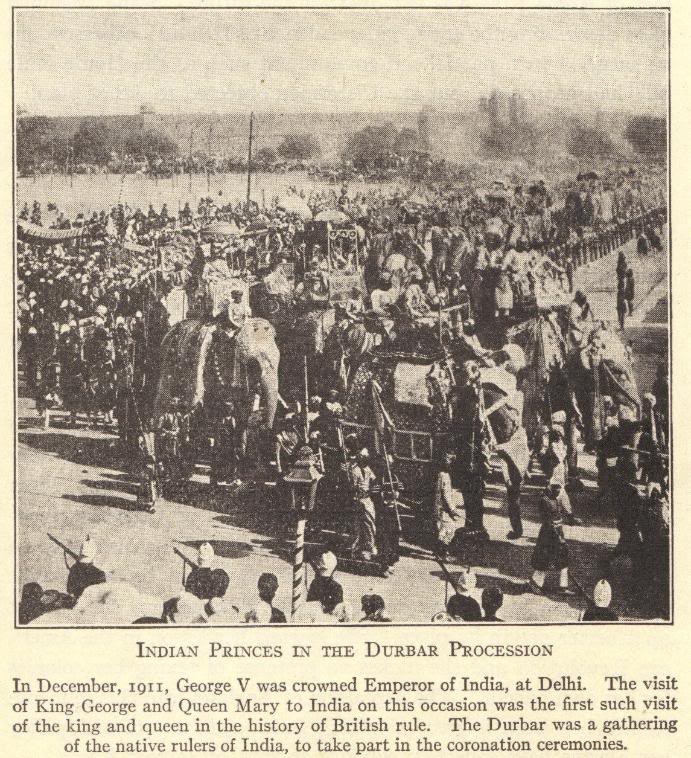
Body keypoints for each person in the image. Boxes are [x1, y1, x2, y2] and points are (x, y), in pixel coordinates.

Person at [450, 361, 491, 540]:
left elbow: (461, 423)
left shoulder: (468, 396)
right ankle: (475, 525)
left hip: (469, 452)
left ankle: (474, 526)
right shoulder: (477, 394)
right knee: (474, 491)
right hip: (475, 452)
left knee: (471, 491)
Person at [523, 481, 573, 595]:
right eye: (556, 489)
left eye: (560, 489)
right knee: (544, 560)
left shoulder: (553, 498)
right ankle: (535, 583)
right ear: (550, 487)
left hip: (556, 531)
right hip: (548, 534)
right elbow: (548, 521)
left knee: (563, 559)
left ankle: (563, 586)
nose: (558, 492)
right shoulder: (544, 501)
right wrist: (559, 537)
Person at [370, 453, 402, 574]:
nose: (388, 465)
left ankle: (391, 562)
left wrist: (397, 495)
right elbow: (374, 493)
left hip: (393, 513)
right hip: (383, 513)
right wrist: (383, 498)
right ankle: (384, 566)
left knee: (394, 537)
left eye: (390, 463)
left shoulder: (395, 477)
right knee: (383, 539)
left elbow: (401, 491)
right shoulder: (380, 478)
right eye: (386, 463)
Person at [348, 448, 378, 561]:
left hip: (367, 500)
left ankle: (370, 547)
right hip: (358, 500)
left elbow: (374, 480)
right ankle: (355, 550)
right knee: (357, 527)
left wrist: (371, 488)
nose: (364, 459)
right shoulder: (354, 470)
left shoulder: (368, 469)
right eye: (362, 457)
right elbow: (353, 486)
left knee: (370, 524)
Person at [433, 450, 464, 556]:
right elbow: (446, 495)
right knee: (448, 529)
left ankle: (440, 552)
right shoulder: (445, 476)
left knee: (443, 529)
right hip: (444, 508)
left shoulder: (440, 474)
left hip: (440, 507)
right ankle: (442, 553)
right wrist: (453, 509)